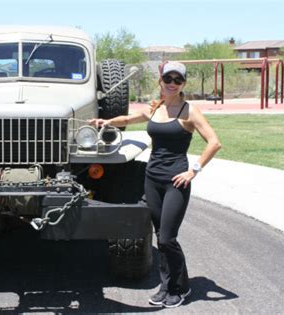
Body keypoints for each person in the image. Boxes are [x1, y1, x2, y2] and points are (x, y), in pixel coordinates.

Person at [89, 61, 221, 308]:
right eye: (168, 78)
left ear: (183, 84)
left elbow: (214, 142)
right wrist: (105, 122)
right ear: (160, 80)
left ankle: (181, 287)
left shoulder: (189, 111)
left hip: (176, 181)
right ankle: (166, 286)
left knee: (169, 238)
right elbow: (129, 117)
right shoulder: (155, 107)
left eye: (177, 80)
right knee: (160, 237)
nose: (172, 83)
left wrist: (194, 171)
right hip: (152, 178)